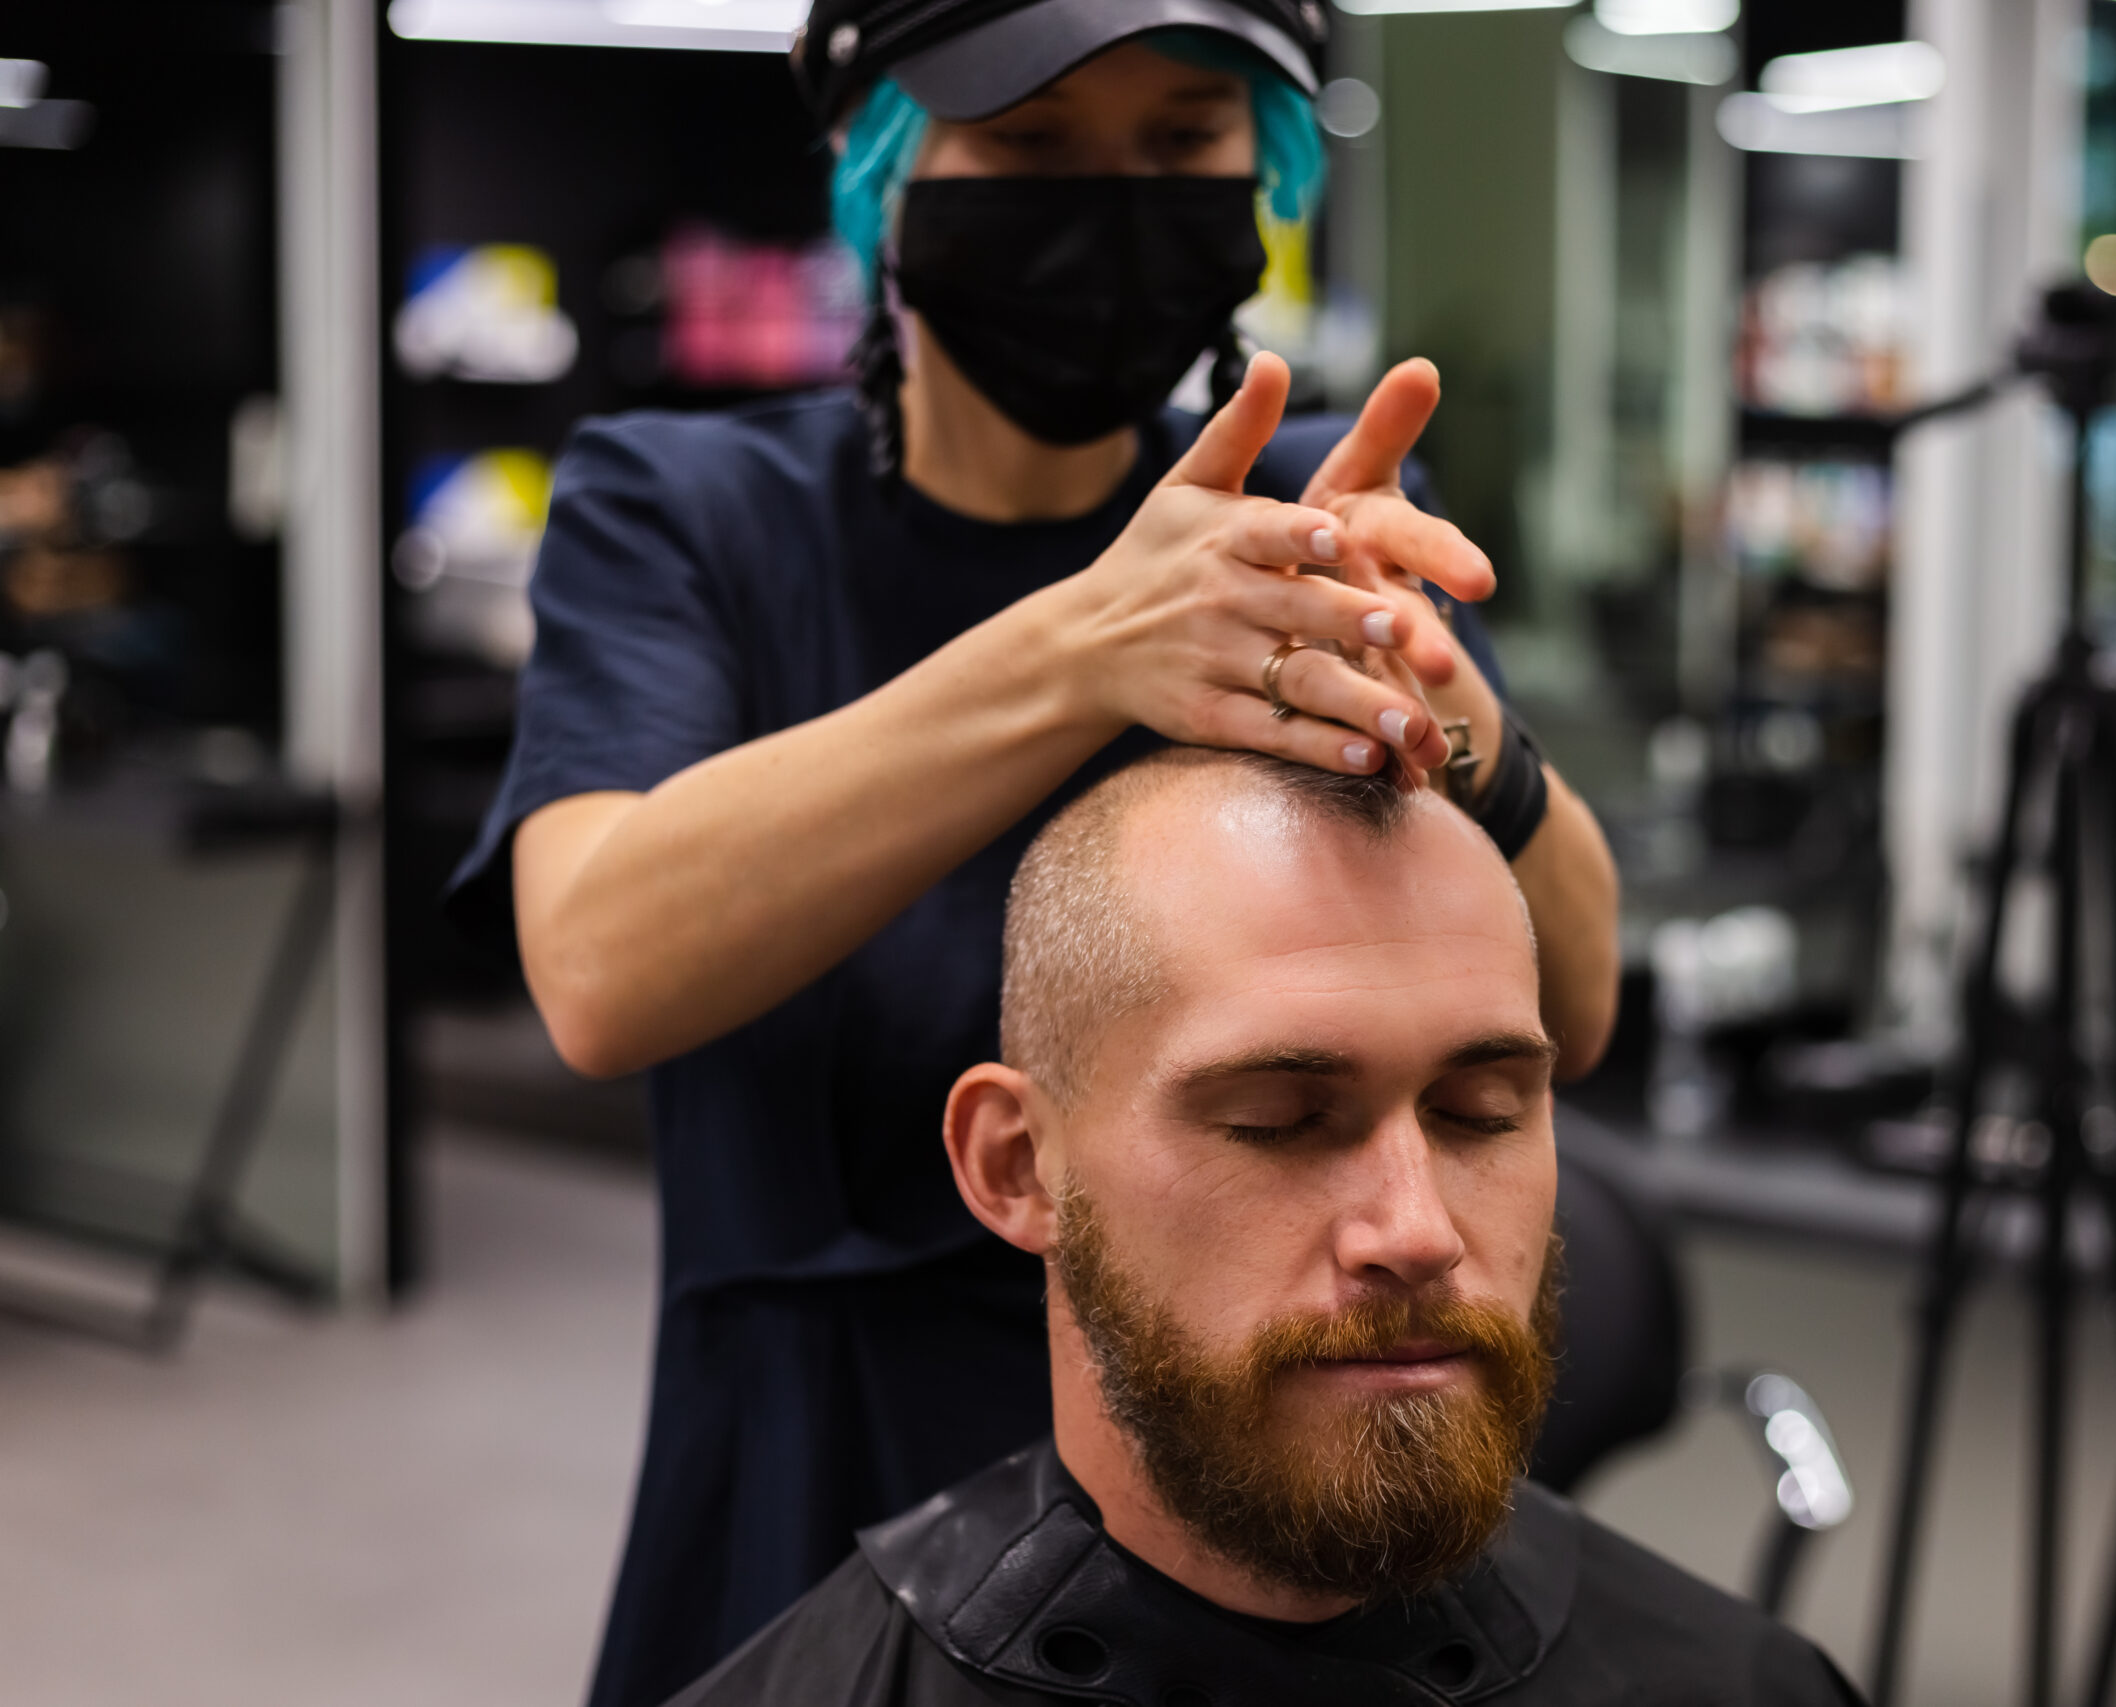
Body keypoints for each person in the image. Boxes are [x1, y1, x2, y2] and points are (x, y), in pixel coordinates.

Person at [445, 2, 1623, 1703]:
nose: (1115, 199)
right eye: (1034, 143)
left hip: (1242, 1456)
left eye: (1180, 144)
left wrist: (1470, 734)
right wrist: (1081, 651)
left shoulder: (1306, 511)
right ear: (886, 173)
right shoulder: (692, 508)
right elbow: (600, 967)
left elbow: (1570, 1008)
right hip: (813, 1466)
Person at [664, 747, 1860, 1707]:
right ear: (1019, 1167)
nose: (1416, 1230)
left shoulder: (1755, 1684)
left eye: (1481, 1113)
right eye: (1281, 1122)